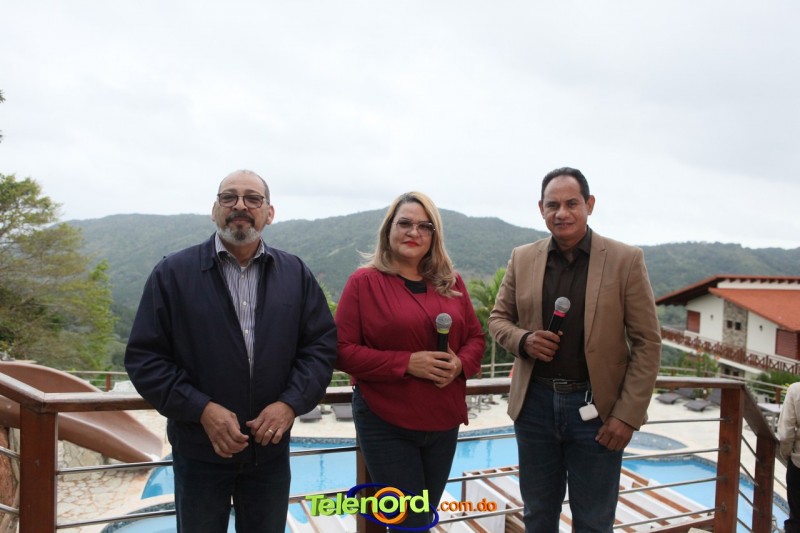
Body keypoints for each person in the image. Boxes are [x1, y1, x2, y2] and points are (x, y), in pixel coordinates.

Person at [124, 170, 337, 533]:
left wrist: (289, 404)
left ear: (269, 213)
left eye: (253, 198)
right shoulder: (172, 273)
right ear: (215, 210)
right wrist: (201, 409)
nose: (240, 205)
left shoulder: (295, 273)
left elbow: (320, 347)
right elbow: (145, 358)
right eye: (229, 197)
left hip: (269, 453)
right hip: (199, 451)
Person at [488, 167, 661, 532]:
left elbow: (647, 342)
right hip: (534, 406)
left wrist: (627, 415)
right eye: (552, 205)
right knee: (537, 516)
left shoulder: (625, 259)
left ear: (589, 205)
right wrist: (524, 340)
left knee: (594, 522)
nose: (561, 213)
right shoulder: (522, 257)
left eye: (571, 203)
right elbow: (498, 319)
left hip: (597, 411)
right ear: (541, 209)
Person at [335, 191, 485, 531]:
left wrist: (460, 364)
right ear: (389, 229)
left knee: (424, 518)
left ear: (434, 235)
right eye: (404, 223)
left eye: (424, 226)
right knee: (410, 523)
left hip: (442, 420)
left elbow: (476, 339)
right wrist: (406, 363)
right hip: (386, 420)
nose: (413, 232)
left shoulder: (452, 283)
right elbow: (341, 350)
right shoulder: (363, 283)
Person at [778, 381, 800, 532]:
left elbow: (786, 434)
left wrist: (787, 455)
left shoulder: (796, 389)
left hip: (798, 464)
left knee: (796, 519)